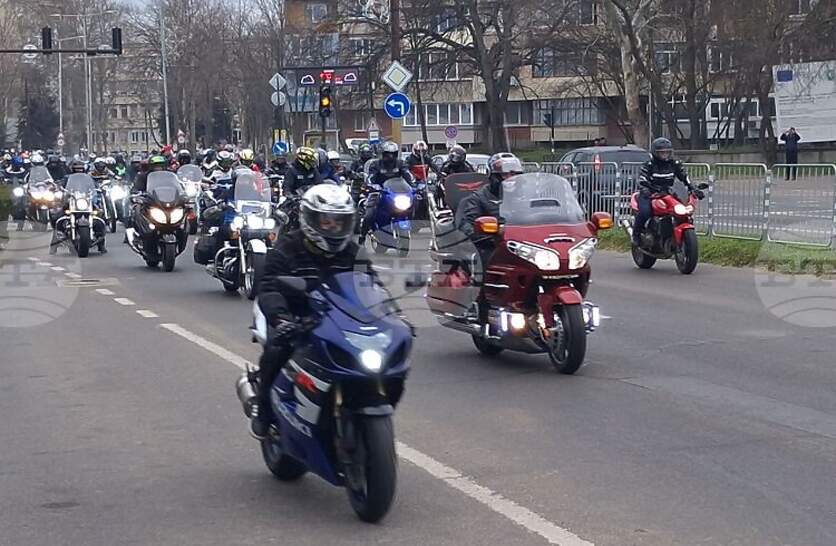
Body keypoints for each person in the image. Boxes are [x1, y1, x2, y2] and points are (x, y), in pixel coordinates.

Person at [251, 184, 363, 438]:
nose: (333, 227)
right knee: (277, 350)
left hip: (337, 318)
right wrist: (281, 320)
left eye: (339, 222)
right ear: (311, 220)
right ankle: (263, 408)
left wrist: (393, 315)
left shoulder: (352, 252)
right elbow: (269, 287)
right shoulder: (287, 248)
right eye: (327, 221)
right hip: (293, 316)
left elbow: (372, 286)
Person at [455, 153, 524, 333]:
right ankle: (485, 311)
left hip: (520, 244)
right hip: (491, 244)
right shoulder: (479, 198)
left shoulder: (526, 197)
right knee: (487, 266)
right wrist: (486, 232)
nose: (511, 179)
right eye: (505, 174)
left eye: (515, 174)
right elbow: (466, 224)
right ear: (494, 176)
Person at [632, 137, 697, 247]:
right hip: (650, 193)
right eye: (662, 152)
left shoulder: (674, 164)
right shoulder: (649, 165)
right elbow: (642, 179)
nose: (664, 155)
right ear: (655, 153)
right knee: (645, 212)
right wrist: (645, 189)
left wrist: (693, 188)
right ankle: (636, 235)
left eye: (667, 152)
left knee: (681, 210)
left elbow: (684, 177)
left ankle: (671, 233)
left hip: (668, 193)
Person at [360, 141, 414, 244]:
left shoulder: (400, 163)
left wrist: (414, 184)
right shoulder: (376, 164)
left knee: (412, 202)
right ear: (383, 154)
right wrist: (372, 185)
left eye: (393, 154)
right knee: (369, 214)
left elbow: (408, 175)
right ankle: (362, 236)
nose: (390, 156)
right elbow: (370, 177)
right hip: (378, 192)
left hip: (394, 193)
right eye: (388, 154)